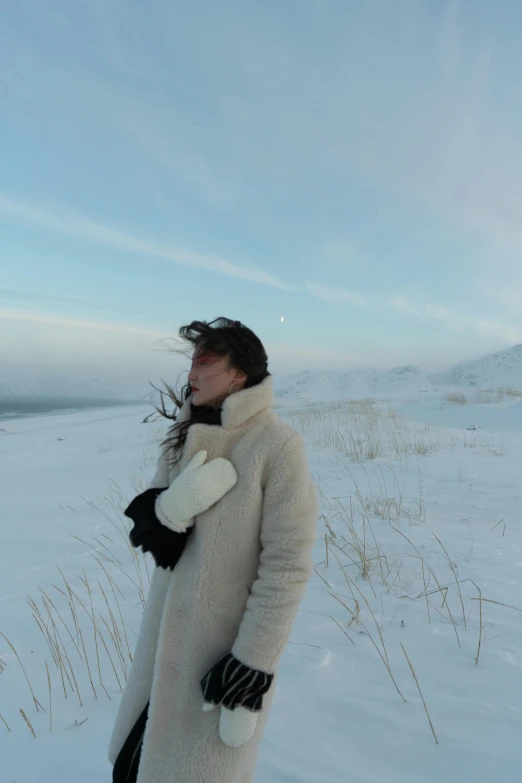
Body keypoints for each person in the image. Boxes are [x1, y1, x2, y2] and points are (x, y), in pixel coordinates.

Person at [108, 317, 318, 783]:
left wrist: (252, 664)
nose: (192, 374)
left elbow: (288, 565)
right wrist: (171, 510)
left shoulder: (277, 445)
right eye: (191, 363)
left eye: (205, 362)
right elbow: (154, 540)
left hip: (220, 660)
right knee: (132, 767)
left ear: (239, 373)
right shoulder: (182, 437)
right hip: (163, 650)